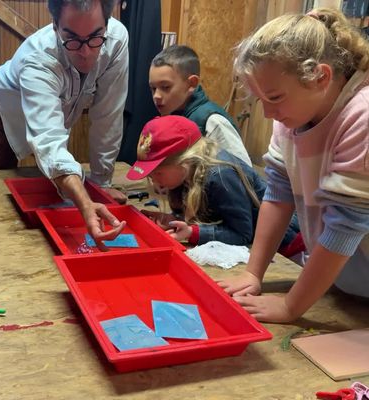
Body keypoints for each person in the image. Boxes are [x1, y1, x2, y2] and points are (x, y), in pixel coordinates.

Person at [217, 8, 369, 323]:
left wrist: (290, 306)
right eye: (261, 100)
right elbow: (278, 194)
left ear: (321, 77)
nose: (268, 114)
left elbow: (345, 226)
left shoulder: (362, 116)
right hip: (346, 288)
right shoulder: (291, 118)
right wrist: (253, 273)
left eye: (275, 97)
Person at [0, 0, 128, 249]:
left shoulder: (117, 39)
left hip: (61, 102)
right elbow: (48, 142)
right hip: (9, 105)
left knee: (55, 175)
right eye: (71, 38)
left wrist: (100, 186)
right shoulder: (37, 59)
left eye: (95, 37)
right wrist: (84, 203)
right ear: (55, 26)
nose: (85, 52)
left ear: (107, 24)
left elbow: (108, 114)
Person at [125, 115, 302, 255]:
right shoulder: (187, 173)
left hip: (288, 247)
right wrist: (174, 220)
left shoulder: (221, 176)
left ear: (184, 161)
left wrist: (193, 233)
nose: (154, 180)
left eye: (158, 173)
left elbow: (242, 234)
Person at [149, 45, 252, 166]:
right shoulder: (172, 115)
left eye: (165, 87)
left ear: (191, 83)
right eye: (153, 88)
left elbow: (243, 172)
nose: (156, 95)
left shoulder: (212, 121)